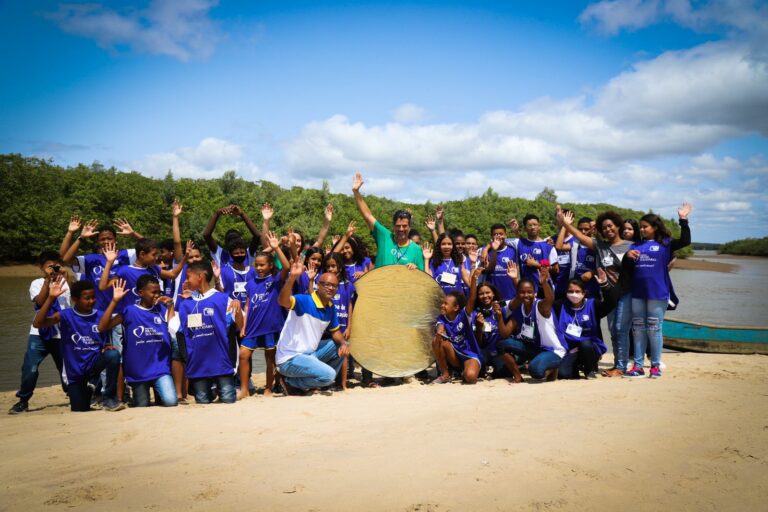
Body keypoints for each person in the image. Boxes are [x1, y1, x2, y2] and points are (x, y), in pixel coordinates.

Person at [559, 207, 634, 377]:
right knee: (613, 330)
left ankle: (621, 366)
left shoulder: (631, 246)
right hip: (608, 293)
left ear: (618, 226)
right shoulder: (600, 246)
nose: (608, 229)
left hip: (625, 294)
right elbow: (579, 236)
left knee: (621, 329)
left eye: (611, 226)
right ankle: (618, 364)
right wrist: (565, 224)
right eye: (605, 227)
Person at [33, 277, 124, 412]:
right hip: (75, 371)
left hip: (94, 364)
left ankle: (109, 397)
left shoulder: (100, 315)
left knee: (113, 355)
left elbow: (114, 323)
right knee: (79, 409)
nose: (92, 301)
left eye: (93, 297)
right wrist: (50, 298)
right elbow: (38, 323)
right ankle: (89, 389)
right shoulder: (66, 315)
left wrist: (115, 301)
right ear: (75, 299)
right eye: (87, 298)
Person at [623, 203, 692, 378]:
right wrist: (627, 257)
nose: (642, 229)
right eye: (642, 226)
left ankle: (655, 366)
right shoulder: (635, 246)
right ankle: (637, 366)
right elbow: (627, 269)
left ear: (654, 227)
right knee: (638, 329)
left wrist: (683, 219)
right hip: (638, 293)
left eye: (645, 226)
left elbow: (685, 241)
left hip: (657, 293)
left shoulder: (666, 244)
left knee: (654, 329)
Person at [98, 276, 177, 407]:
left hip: (161, 368)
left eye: (159, 292)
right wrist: (114, 301)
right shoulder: (130, 311)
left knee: (171, 401)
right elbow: (102, 327)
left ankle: (158, 391)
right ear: (140, 293)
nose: (157, 295)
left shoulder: (161, 309)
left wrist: (170, 306)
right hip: (138, 371)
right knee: (142, 404)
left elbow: (173, 328)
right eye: (153, 292)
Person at [171, 261, 243, 404]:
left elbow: (239, 326)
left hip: (222, 362)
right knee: (203, 402)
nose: (185, 281)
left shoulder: (222, 299)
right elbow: (175, 330)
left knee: (228, 399)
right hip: (198, 364)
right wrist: (169, 306)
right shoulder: (186, 304)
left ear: (200, 276)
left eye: (188, 277)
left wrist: (238, 309)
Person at [274, 259, 350, 395]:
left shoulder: (330, 308)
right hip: (290, 358)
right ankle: (290, 383)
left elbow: (336, 332)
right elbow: (282, 301)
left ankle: (311, 381)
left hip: (310, 354)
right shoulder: (305, 300)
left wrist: (344, 343)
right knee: (329, 376)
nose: (331, 288)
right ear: (318, 285)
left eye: (334, 285)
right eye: (327, 284)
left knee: (341, 346)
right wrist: (292, 278)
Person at [9, 251, 70, 414]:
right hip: (39, 332)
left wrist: (65, 277)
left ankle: (72, 394)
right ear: (41, 267)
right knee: (30, 368)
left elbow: (71, 307)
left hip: (61, 333)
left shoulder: (66, 282)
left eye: (55, 265)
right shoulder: (36, 283)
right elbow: (40, 302)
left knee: (65, 367)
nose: (52, 269)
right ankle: (23, 400)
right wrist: (48, 282)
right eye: (49, 266)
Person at [238, 232, 290, 399]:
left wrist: (276, 247)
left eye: (262, 265)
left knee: (270, 359)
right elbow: (247, 304)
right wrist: (244, 325)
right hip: (252, 326)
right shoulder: (251, 282)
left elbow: (287, 267)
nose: (259, 268)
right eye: (257, 265)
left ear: (270, 266)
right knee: (243, 355)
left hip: (271, 326)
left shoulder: (275, 280)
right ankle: (244, 389)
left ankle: (268, 388)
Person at [498, 267, 567, 381]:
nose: (526, 295)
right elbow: (505, 334)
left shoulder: (540, 306)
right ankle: (518, 376)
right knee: (502, 345)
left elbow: (550, 299)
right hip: (534, 348)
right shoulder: (519, 309)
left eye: (529, 292)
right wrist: (499, 317)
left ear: (535, 293)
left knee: (535, 371)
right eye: (522, 292)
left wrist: (544, 282)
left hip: (553, 350)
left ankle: (553, 368)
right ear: (517, 294)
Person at [352, 172, 424, 270]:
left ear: (409, 226)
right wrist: (356, 192)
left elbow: (421, 278)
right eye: (398, 226)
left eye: (404, 226)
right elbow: (367, 215)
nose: (401, 229)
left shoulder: (416, 249)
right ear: (394, 225)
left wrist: (415, 269)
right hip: (381, 285)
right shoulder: (384, 236)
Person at [556, 268, 617, 379]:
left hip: (590, 347)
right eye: (570, 291)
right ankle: (576, 366)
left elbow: (611, 303)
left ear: (584, 293)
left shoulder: (593, 304)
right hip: (570, 349)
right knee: (564, 374)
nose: (574, 294)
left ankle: (589, 370)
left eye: (577, 291)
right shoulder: (560, 306)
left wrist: (605, 285)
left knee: (585, 344)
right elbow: (545, 304)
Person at [431, 268, 483, 384]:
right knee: (438, 340)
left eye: (446, 304)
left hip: (469, 354)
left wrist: (474, 278)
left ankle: (465, 371)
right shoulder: (441, 318)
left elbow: (472, 298)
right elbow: (440, 328)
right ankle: (445, 374)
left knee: (470, 377)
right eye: (443, 303)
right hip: (454, 356)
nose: (442, 306)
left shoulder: (464, 315)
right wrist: (439, 333)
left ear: (455, 308)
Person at [320, 253, 356, 390]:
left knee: (344, 353)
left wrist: (349, 326)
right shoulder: (323, 283)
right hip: (325, 327)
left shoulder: (347, 285)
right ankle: (325, 382)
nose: (330, 269)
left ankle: (343, 383)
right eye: (328, 266)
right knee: (327, 353)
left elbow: (350, 305)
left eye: (333, 266)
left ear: (339, 267)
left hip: (342, 325)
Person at [483, 224, 518, 301]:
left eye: (501, 234)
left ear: (506, 235)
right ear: (491, 236)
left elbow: (521, 243)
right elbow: (489, 270)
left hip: (510, 296)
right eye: (495, 234)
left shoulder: (513, 250)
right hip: (491, 298)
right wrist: (493, 250)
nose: (498, 236)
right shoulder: (485, 251)